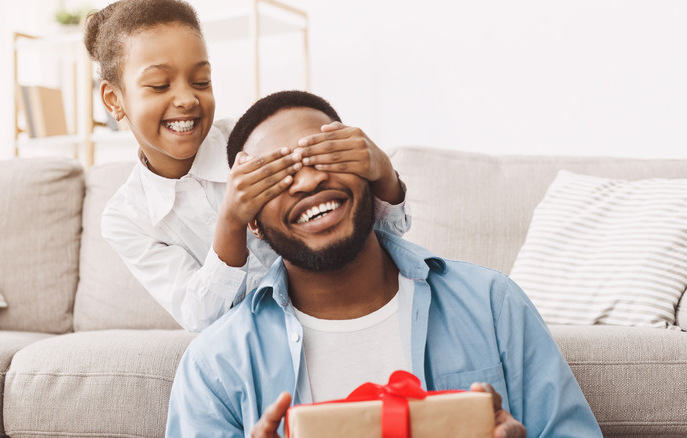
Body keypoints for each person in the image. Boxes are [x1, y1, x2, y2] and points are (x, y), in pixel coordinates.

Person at [165, 91, 603, 437]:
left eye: (327, 156)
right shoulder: (214, 367)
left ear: (368, 171)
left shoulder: (492, 305)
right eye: (275, 177)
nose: (310, 179)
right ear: (253, 224)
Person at [84, 0, 410, 332]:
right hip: (254, 341)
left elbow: (386, 233)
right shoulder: (126, 218)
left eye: (201, 81)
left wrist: (382, 172)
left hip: (338, 310)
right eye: (159, 85)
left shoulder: (254, 140)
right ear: (114, 100)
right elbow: (200, 318)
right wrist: (232, 220)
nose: (187, 99)